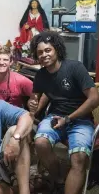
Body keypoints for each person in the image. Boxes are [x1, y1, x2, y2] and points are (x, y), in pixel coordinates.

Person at [28, 31, 99, 194]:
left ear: (57, 50)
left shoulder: (75, 67)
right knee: (40, 143)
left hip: (80, 120)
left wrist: (68, 119)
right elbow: (35, 99)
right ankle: (59, 179)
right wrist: (32, 106)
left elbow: (94, 99)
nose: (44, 55)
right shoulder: (40, 75)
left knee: (79, 157)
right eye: (40, 52)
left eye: (48, 50)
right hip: (54, 117)